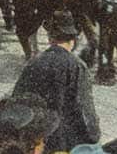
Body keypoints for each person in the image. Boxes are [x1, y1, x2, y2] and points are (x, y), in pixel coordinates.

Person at [12, 10, 101, 153]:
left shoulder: (34, 62)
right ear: (73, 40)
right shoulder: (77, 66)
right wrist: (94, 136)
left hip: (37, 139)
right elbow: (84, 107)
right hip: (66, 140)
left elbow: (17, 98)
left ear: (50, 38)